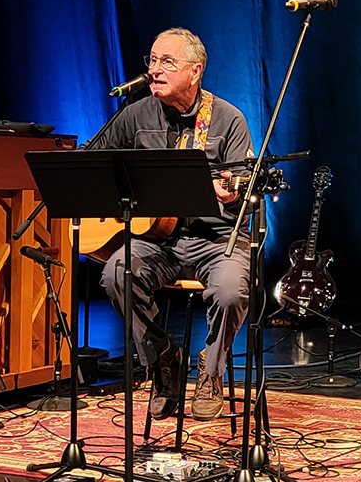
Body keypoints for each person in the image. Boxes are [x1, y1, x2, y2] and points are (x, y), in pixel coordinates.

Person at [93, 27, 254, 421]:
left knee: (232, 290)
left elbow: (245, 189)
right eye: (152, 60)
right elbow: (94, 161)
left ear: (195, 72)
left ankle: (211, 369)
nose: (155, 70)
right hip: (156, 242)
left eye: (167, 62)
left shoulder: (228, 120)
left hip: (215, 240)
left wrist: (233, 193)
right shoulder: (136, 114)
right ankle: (164, 360)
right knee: (117, 273)